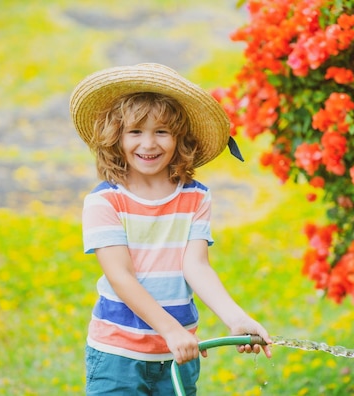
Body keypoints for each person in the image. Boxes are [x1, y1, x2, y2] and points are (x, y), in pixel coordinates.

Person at [69, 63, 272, 396]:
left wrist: (235, 318)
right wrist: (170, 330)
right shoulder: (104, 202)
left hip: (179, 354)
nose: (148, 144)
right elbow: (121, 277)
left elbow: (196, 266)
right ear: (116, 137)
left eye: (161, 131)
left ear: (180, 138)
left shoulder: (195, 197)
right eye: (135, 132)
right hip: (119, 354)